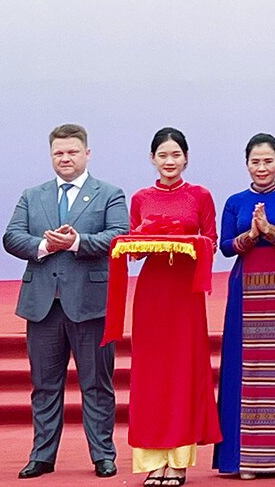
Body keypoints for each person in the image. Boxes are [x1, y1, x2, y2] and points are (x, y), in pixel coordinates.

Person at [3, 124, 130, 480]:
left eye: (73, 151)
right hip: (42, 303)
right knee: (44, 385)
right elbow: (12, 236)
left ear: (87, 153)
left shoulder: (109, 193)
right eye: (59, 152)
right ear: (51, 155)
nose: (66, 158)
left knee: (96, 383)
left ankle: (103, 454)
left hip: (90, 303)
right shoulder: (33, 195)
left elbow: (119, 235)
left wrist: (76, 242)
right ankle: (42, 455)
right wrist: (43, 247)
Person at [115, 128, 220, 486]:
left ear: (186, 158)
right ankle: (152, 460)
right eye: (163, 155)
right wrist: (147, 235)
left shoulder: (200, 195)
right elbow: (135, 247)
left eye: (176, 155)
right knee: (151, 374)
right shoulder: (142, 197)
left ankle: (179, 460)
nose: (169, 162)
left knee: (183, 372)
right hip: (152, 292)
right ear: (152, 159)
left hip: (185, 293)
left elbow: (210, 242)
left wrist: (182, 238)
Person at [215, 133, 275, 478]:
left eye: (268, 160)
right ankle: (244, 459)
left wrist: (270, 231)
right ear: (247, 164)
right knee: (245, 369)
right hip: (246, 292)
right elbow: (224, 246)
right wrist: (252, 235)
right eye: (256, 161)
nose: (262, 167)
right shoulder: (235, 201)